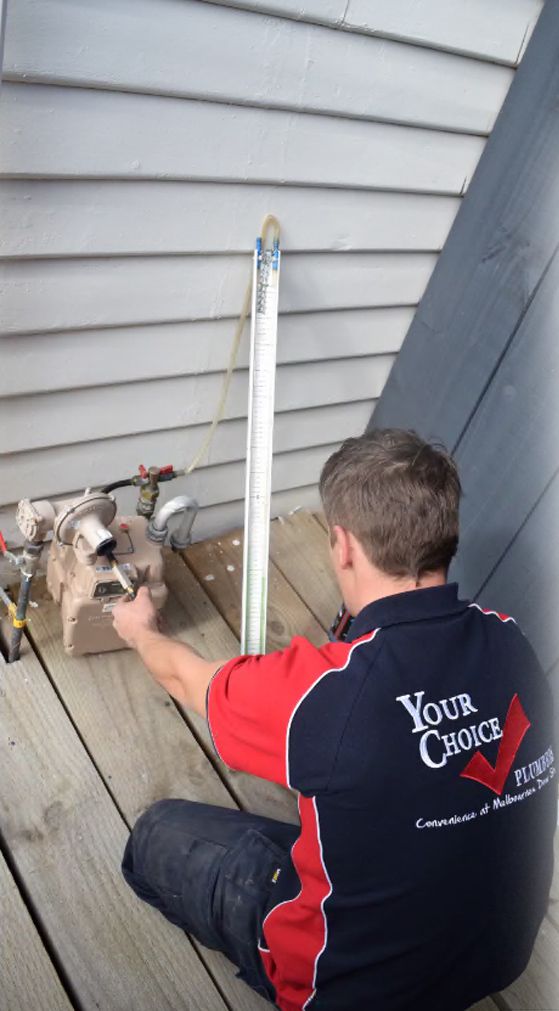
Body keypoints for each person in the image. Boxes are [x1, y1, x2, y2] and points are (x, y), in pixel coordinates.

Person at [113, 429, 557, 1011]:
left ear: (342, 545)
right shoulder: (511, 640)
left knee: (153, 837)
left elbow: (183, 677)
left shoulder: (322, 695)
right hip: (496, 957)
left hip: (349, 992)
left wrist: (141, 630)